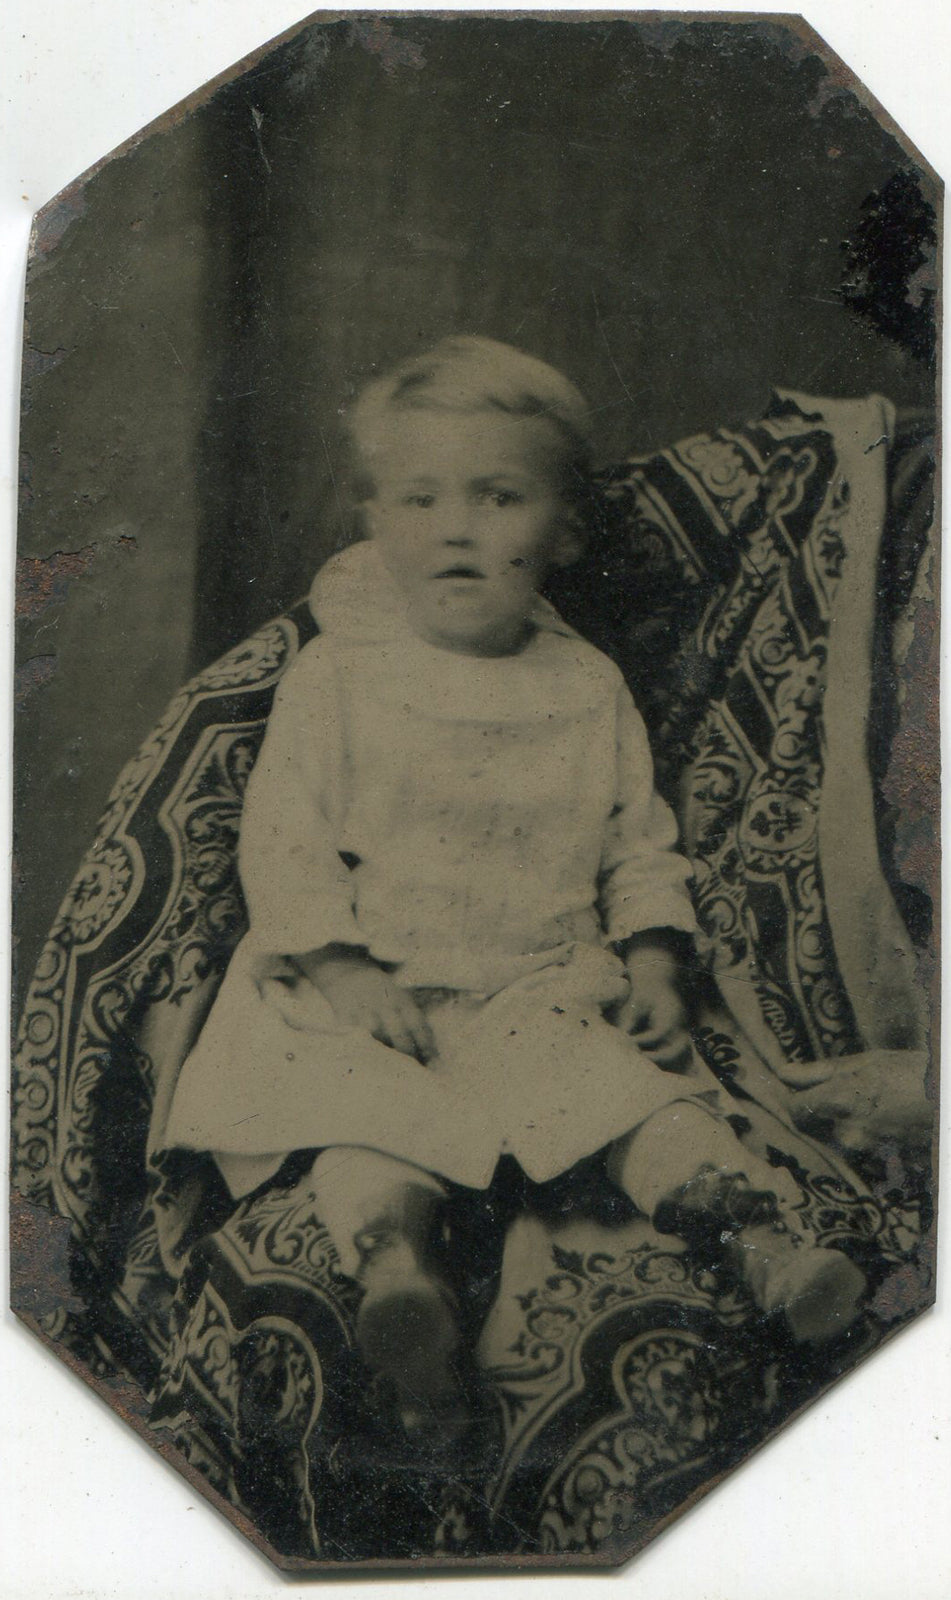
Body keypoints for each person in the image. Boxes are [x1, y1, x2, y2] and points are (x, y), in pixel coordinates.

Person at [161, 337, 865, 1437]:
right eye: (422, 497)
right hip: (380, 990)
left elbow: (638, 843)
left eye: (499, 498)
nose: (456, 527)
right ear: (379, 521)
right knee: (366, 1128)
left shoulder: (587, 687)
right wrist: (342, 970)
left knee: (642, 1103)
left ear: (564, 531)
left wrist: (652, 961)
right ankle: (397, 1270)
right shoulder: (339, 672)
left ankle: (758, 1240)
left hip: (538, 982)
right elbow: (284, 841)